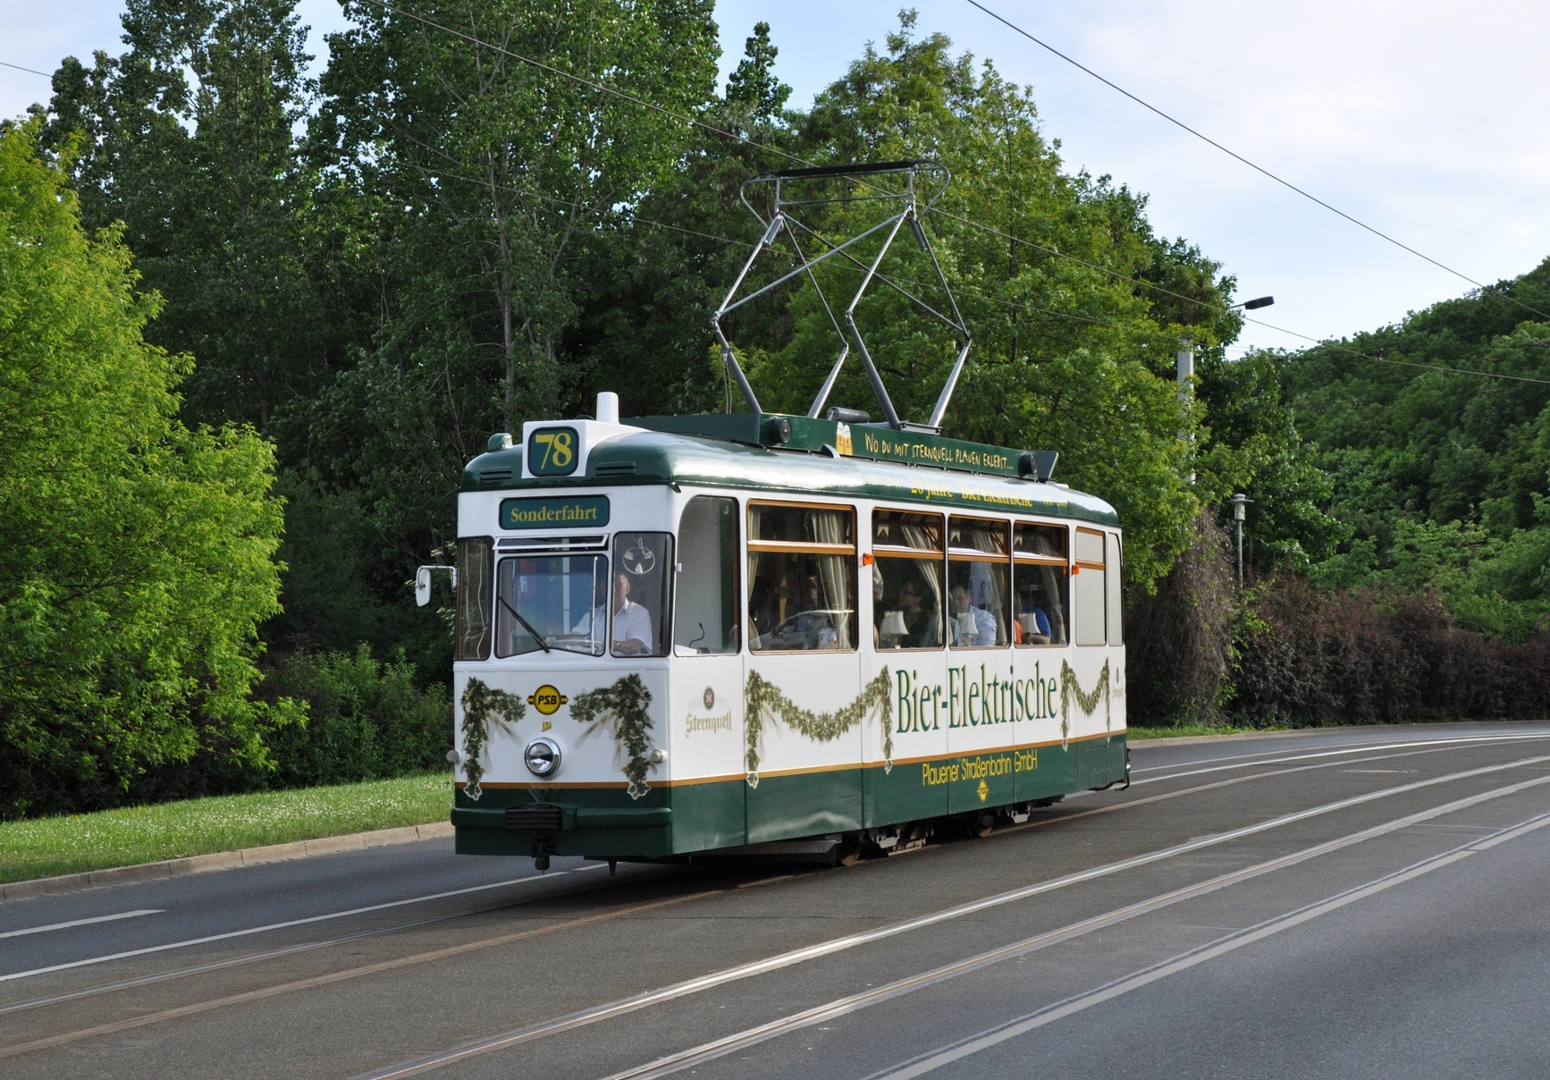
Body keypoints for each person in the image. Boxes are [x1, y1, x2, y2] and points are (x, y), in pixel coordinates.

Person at [575, 572, 654, 655]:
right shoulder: (592, 614)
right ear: (602, 590)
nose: (613, 589)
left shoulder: (639, 613)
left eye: (617, 585)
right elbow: (576, 637)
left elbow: (635, 646)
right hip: (598, 666)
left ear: (627, 589)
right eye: (608, 585)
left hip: (629, 667)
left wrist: (610, 646)